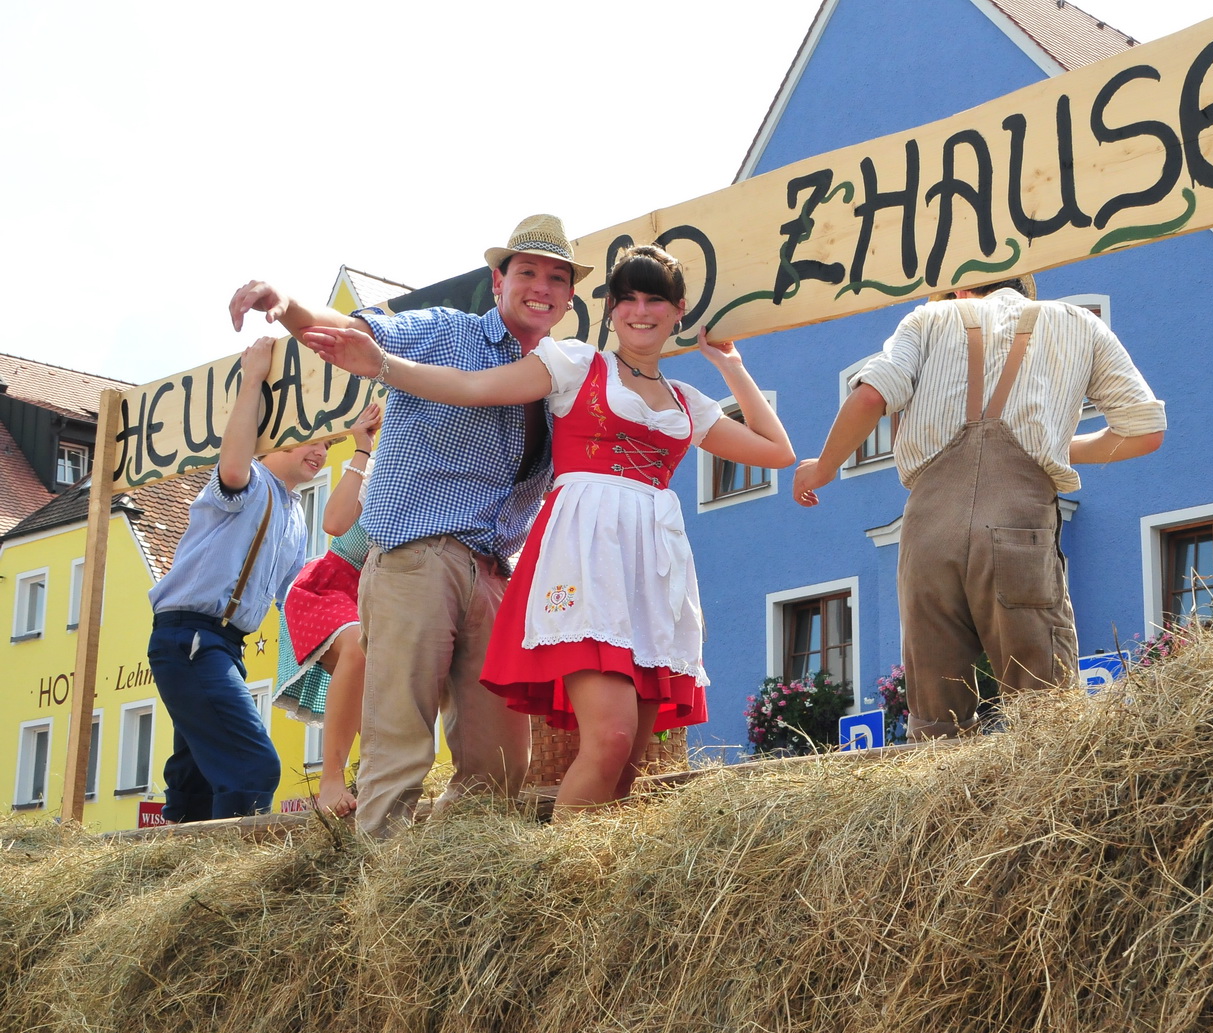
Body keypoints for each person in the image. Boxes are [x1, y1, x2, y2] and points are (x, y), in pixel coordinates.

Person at [303, 244, 795, 814]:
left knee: (628, 761)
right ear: (610, 308)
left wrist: (730, 365)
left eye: (655, 299)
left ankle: (585, 885)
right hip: (585, 559)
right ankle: (556, 874)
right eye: (627, 298)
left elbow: (777, 451)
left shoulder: (686, 401)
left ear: (677, 309)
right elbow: (473, 388)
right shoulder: (576, 365)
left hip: (652, 571)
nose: (641, 310)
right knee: (607, 739)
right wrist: (384, 368)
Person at [229, 215, 589, 836]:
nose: (541, 287)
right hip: (418, 555)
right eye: (527, 271)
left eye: (557, 277)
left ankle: (445, 884)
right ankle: (382, 897)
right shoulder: (448, 332)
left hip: (496, 571)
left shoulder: (561, 378)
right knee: (399, 741)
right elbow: (349, 333)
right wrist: (284, 304)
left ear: (569, 297)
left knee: (500, 763)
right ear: (499, 280)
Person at [791, 276, 1166, 739]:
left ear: (961, 291)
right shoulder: (1078, 323)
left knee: (936, 722)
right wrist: (1055, 445)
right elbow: (1144, 431)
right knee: (1044, 715)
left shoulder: (927, 318)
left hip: (927, 530)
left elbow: (870, 396)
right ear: (1021, 287)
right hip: (1019, 524)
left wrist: (825, 467)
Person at [147, 337, 322, 822]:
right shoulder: (251, 482)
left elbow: (296, 595)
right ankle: (227, 877)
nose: (322, 451)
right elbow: (233, 462)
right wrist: (252, 380)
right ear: (279, 435)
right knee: (254, 767)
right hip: (190, 636)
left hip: (223, 646)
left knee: (197, 777)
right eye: (314, 438)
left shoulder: (296, 514)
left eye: (329, 442)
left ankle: (178, 872)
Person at [273, 402, 382, 818]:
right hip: (329, 587)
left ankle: (370, 775)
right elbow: (334, 523)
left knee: (392, 681)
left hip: (381, 595)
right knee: (357, 645)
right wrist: (361, 449)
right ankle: (330, 777)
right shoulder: (375, 475)